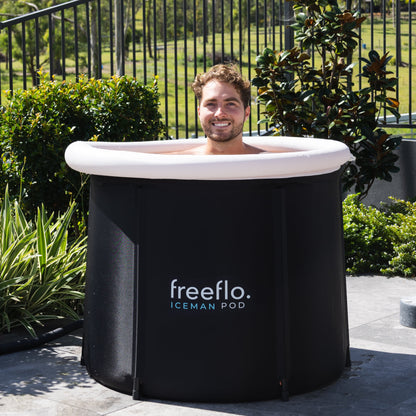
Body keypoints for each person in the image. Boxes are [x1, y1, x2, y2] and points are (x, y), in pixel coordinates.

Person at [171, 64, 264, 155]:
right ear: (199, 112)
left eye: (230, 104)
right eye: (211, 104)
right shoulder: (179, 163)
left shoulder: (269, 163)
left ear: (246, 113)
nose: (219, 113)